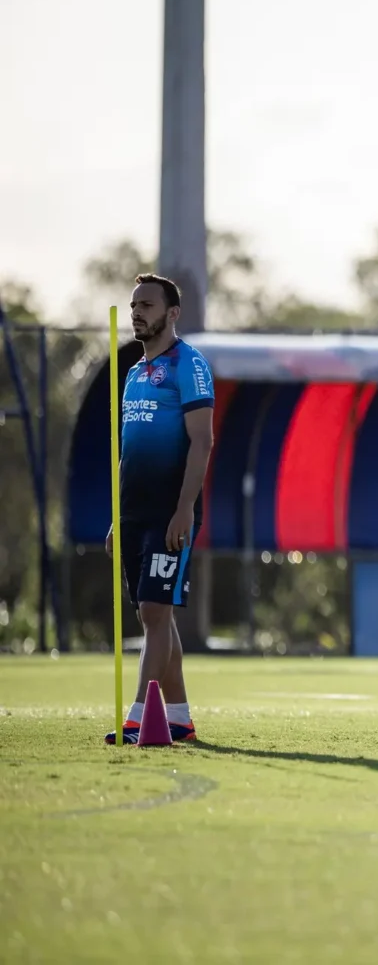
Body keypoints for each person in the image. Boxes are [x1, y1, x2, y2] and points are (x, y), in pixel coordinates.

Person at [104, 274, 215, 744]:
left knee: (154, 611)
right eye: (133, 305)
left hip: (172, 513)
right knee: (158, 617)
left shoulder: (188, 364)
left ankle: (135, 720)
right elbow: (129, 450)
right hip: (134, 512)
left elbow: (202, 440)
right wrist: (116, 516)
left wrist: (185, 509)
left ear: (172, 314)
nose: (136, 312)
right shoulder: (131, 373)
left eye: (147, 304)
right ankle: (180, 719)